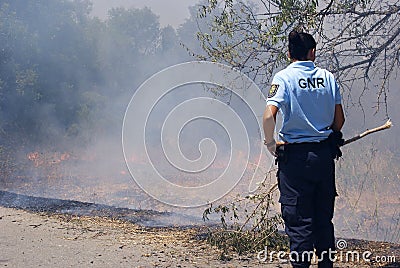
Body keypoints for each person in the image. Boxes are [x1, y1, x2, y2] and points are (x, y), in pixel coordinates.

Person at [262, 30, 345, 268]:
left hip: (295, 161)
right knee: (323, 221)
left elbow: (269, 115)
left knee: (299, 224)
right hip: (323, 158)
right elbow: (339, 121)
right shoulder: (328, 77)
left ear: (289, 54)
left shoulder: (283, 78)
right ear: (313, 53)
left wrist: (271, 144)